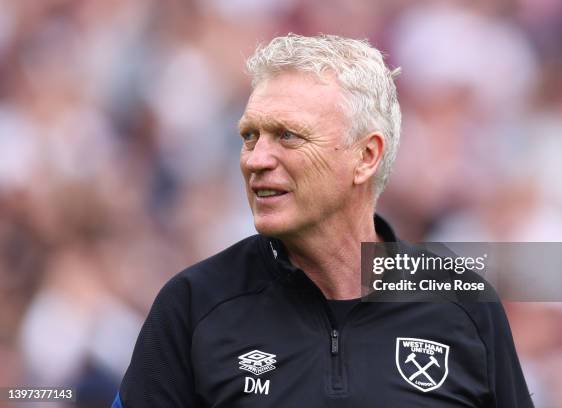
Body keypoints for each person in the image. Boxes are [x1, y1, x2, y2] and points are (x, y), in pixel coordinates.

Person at [112, 33, 533, 407]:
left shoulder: (463, 305)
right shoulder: (193, 305)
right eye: (249, 136)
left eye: (288, 136)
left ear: (365, 157)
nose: (256, 159)